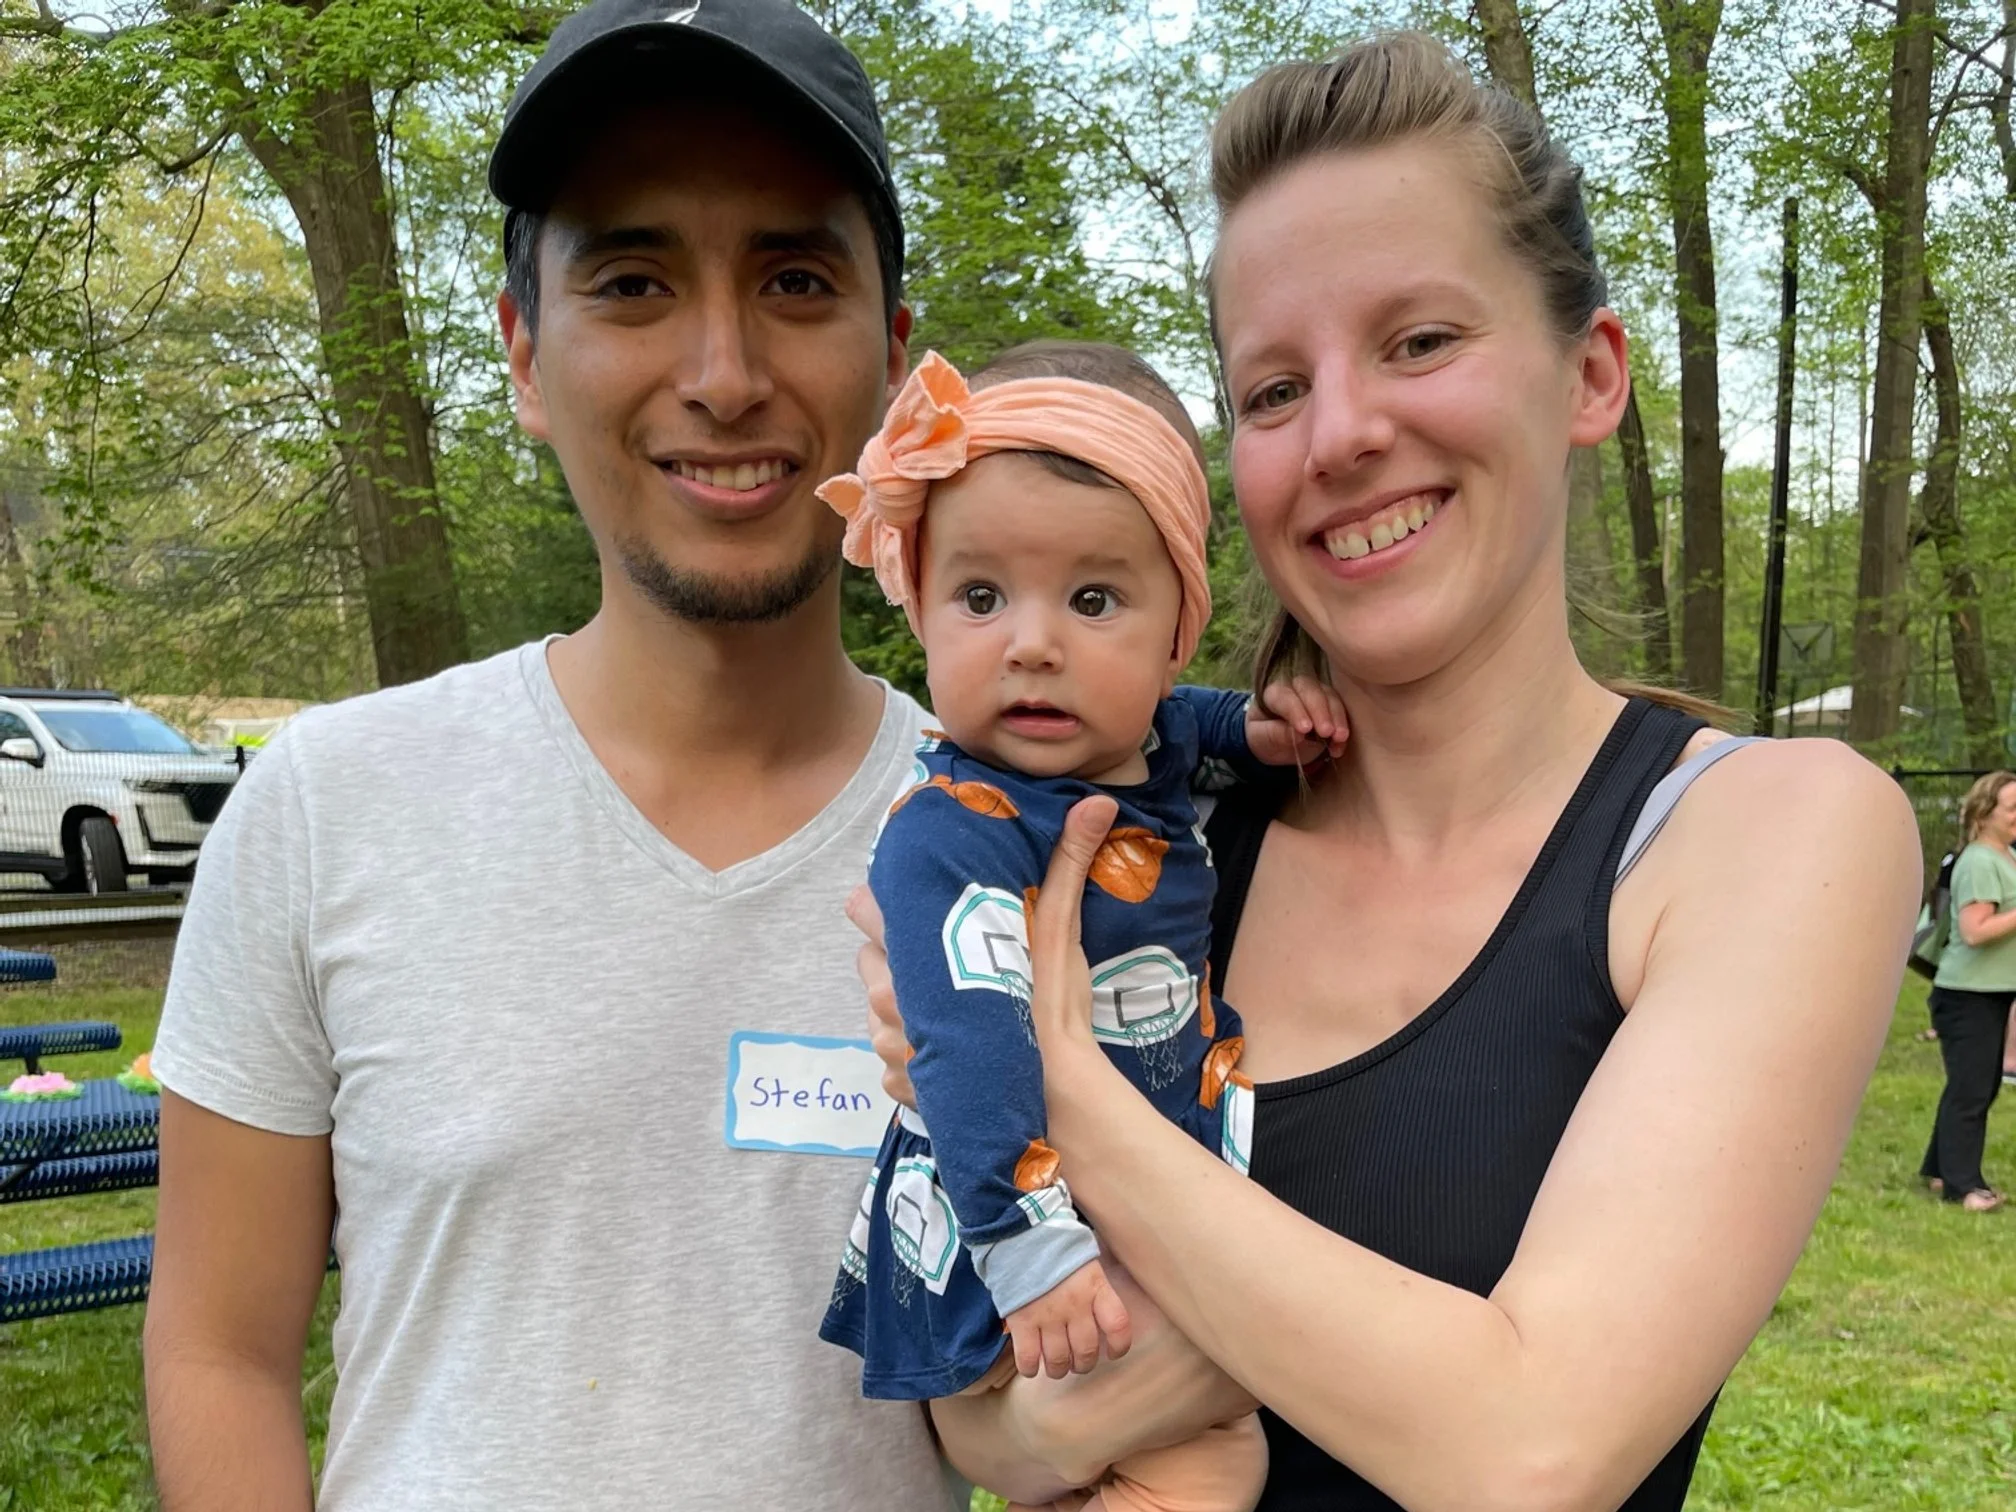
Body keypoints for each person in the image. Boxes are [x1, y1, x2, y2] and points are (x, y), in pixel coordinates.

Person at [851, 33, 1919, 1510]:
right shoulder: (1163, 826)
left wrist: (1061, 1089)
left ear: (1590, 374)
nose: (1344, 435)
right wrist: (1051, 1419)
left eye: (1420, 342)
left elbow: (1532, 1454)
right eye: (1275, 389)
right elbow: (975, 1431)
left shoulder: (1760, 832)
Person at [141, 1, 967, 1506]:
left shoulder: (1017, 846)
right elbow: (219, 1351)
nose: (724, 373)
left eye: (795, 280)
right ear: (524, 355)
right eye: (634, 282)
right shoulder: (326, 809)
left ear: (900, 371)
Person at [816, 342, 1344, 1511]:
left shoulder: (1146, 743)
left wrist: (1259, 733)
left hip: (1130, 1197)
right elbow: (964, 1044)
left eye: (1093, 600)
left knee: (1194, 1453)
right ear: (920, 608)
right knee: (1213, 1448)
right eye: (981, 597)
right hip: (1024, 1222)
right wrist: (1028, 1246)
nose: (1033, 644)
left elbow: (1189, 724)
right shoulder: (955, 829)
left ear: (1176, 629)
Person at [1920, 770, 2016, 1211]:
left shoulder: (2006, 856)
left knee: (1975, 1085)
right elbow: (1975, 931)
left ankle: (1940, 1169)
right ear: (1984, 813)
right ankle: (1964, 1186)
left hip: (1991, 991)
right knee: (1972, 1091)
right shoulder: (1978, 861)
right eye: (2011, 808)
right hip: (1967, 995)